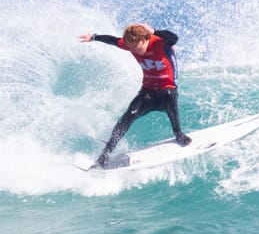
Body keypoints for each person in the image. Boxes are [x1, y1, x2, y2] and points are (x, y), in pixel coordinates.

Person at [79, 23, 192, 168]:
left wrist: (155, 31)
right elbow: (113, 40)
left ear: (144, 39)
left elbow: (174, 39)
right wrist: (94, 37)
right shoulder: (131, 44)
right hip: (148, 92)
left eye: (135, 46)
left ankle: (179, 134)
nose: (132, 50)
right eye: (129, 46)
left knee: (169, 94)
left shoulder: (159, 42)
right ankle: (105, 155)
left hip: (167, 91)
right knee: (128, 116)